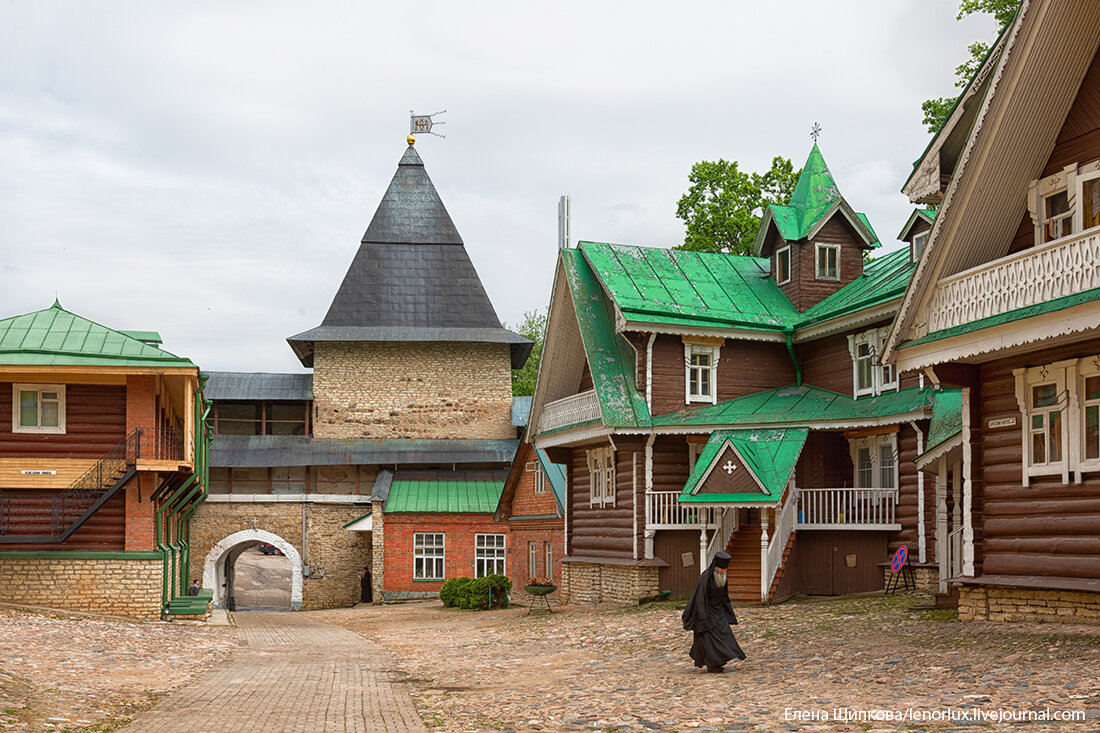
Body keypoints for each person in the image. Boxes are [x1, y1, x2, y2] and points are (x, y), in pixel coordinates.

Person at [681, 551, 746, 673]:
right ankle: (712, 664)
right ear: (715, 566)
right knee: (709, 639)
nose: (722, 571)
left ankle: (719, 661)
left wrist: (728, 614)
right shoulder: (705, 578)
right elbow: (699, 598)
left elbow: (724, 597)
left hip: (719, 612)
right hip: (706, 612)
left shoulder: (722, 578)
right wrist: (702, 617)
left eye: (724, 569)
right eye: (720, 569)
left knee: (724, 634)